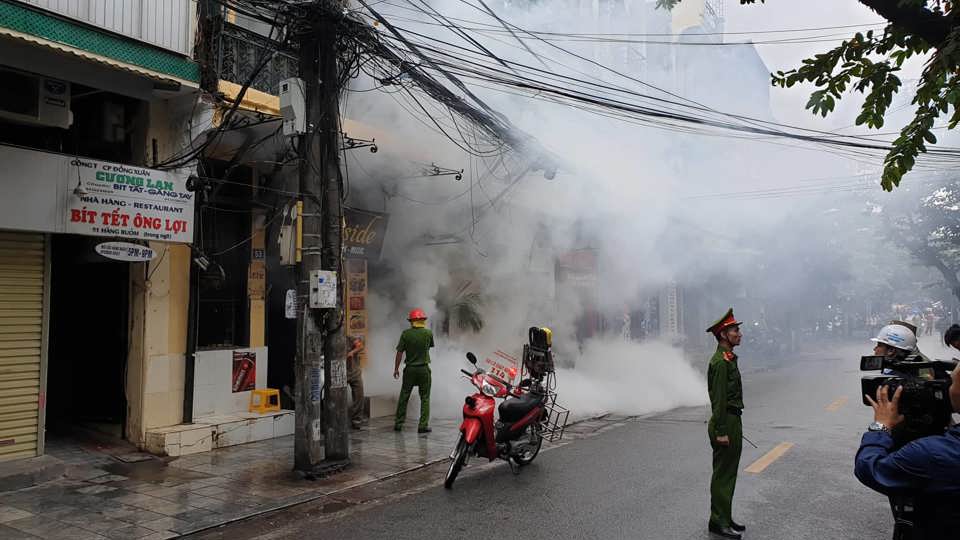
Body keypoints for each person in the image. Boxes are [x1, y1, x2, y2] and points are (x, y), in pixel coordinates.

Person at [854, 331, 960, 539]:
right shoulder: (915, 367)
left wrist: (881, 426)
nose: (875, 350)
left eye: (954, 383)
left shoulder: (932, 453)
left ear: (892, 350)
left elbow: (870, 469)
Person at [705, 308, 746, 540]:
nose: (739, 334)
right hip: (725, 422)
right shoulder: (720, 362)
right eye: (735, 330)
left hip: (732, 419)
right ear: (723, 335)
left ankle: (723, 517)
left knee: (729, 473)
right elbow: (718, 399)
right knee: (723, 475)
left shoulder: (729, 358)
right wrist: (721, 431)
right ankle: (718, 521)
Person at [394, 308, 435, 433]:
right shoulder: (428, 333)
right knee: (425, 398)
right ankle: (422, 425)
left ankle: (398, 424)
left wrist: (396, 368)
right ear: (423, 320)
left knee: (404, 396)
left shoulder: (405, 334)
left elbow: (399, 352)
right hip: (423, 369)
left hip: (410, 370)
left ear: (411, 321)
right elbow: (429, 347)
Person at [346, 335, 365, 430]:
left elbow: (360, 346)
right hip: (341, 373)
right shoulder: (328, 339)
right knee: (337, 398)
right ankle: (337, 420)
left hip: (355, 373)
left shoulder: (350, 338)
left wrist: (352, 352)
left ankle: (356, 422)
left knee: (359, 397)